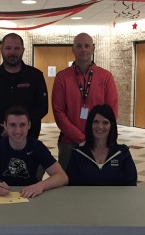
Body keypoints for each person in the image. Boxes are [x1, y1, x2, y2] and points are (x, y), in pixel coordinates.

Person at [0, 105, 68, 198]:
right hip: (1, 197)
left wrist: (40, 186)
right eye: (12, 125)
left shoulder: (37, 146)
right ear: (5, 126)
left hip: (28, 195)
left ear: (29, 125)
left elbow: (62, 176)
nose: (18, 131)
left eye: (22, 125)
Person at [52, 32, 118, 171]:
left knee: (97, 183)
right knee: (67, 184)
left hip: (99, 143)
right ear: (73, 48)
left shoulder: (105, 76)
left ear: (93, 48)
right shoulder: (62, 77)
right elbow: (58, 112)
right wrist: (81, 138)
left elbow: (111, 112)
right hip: (69, 143)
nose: (83, 49)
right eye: (79, 45)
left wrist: (96, 137)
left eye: (87, 46)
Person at [0, 33, 48, 144]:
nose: (12, 52)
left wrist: (22, 126)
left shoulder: (35, 75)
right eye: (8, 48)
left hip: (29, 139)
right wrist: (2, 128)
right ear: (1, 50)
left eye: (16, 48)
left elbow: (42, 107)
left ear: (23, 50)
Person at [66, 104, 137, 186]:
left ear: (111, 126)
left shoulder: (123, 153)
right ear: (90, 125)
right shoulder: (77, 154)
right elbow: (71, 186)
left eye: (105, 123)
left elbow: (131, 185)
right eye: (96, 122)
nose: (100, 126)